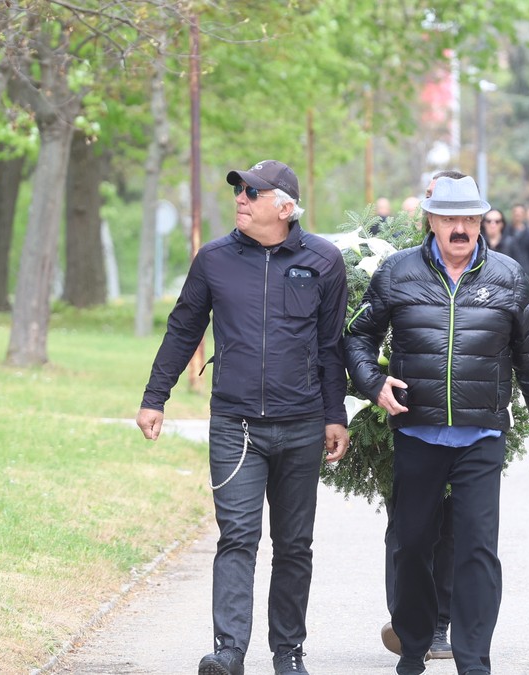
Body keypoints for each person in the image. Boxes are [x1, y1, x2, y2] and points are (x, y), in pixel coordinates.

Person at [136, 160, 348, 675]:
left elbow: (332, 346)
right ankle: (229, 651)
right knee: (237, 537)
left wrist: (334, 415)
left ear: (284, 205)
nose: (240, 199)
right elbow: (184, 328)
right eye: (239, 191)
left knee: (294, 544)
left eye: (252, 192)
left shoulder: (324, 261)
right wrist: (154, 396)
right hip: (236, 425)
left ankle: (288, 652)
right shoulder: (214, 259)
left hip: (301, 425)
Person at [344, 175, 529, 675]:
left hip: (480, 438)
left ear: (483, 220)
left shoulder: (507, 276)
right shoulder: (398, 273)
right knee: (411, 546)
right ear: (432, 221)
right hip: (417, 433)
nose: (460, 228)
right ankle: (414, 649)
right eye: (450, 219)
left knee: (477, 552)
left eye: (469, 218)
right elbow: (358, 338)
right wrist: (373, 383)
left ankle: (473, 661)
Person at [378, 170, 466, 663]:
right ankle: (407, 618)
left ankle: (440, 624)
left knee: (454, 526)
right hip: (408, 417)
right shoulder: (393, 261)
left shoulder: (479, 262)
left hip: (465, 422)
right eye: (435, 200)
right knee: (408, 528)